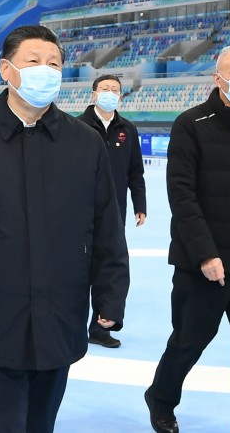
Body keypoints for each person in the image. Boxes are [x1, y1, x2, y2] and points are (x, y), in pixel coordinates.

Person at [0, 25, 129, 433]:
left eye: (54, 63)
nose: (45, 71)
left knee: (41, 425)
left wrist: (111, 297)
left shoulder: (85, 142)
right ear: (6, 69)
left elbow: (107, 226)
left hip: (61, 313)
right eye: (33, 61)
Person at [146, 46, 230, 433]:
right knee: (189, 342)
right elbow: (182, 196)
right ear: (217, 78)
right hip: (200, 265)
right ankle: (161, 399)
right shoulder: (191, 124)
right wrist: (205, 254)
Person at [76, 74, 147, 350]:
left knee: (110, 268)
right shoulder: (77, 127)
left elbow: (135, 172)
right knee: (77, 268)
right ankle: (71, 324)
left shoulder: (127, 130)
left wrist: (140, 205)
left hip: (115, 210)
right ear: (93, 95)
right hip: (78, 211)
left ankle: (101, 326)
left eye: (114, 90)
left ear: (120, 96)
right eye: (104, 88)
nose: (109, 93)